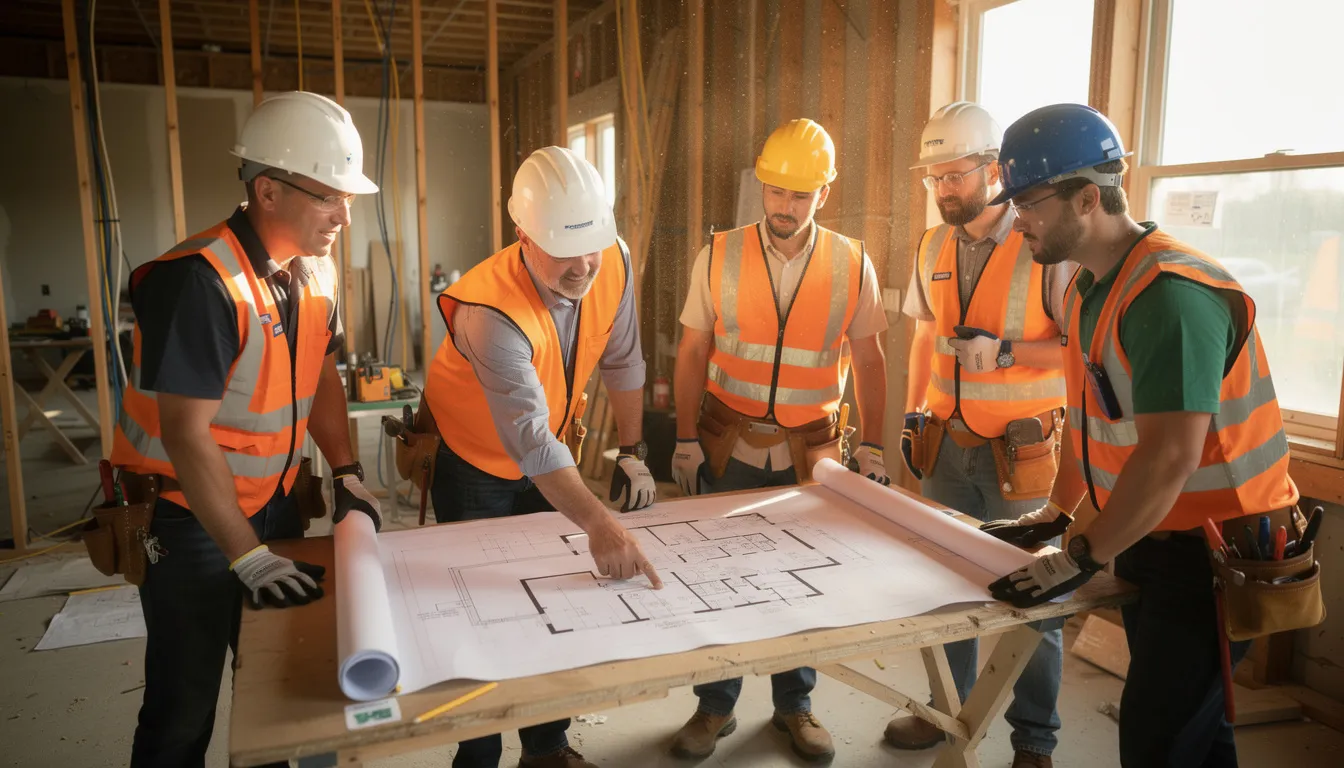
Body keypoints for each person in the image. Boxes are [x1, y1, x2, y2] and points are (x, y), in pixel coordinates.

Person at [984, 103, 1300, 768]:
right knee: (1195, 737)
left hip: (1216, 556)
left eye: (1030, 204)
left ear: (1087, 199)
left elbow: (1170, 456)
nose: (1018, 221)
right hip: (1152, 540)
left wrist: (1081, 555)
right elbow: (1091, 419)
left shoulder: (1170, 295)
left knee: (1158, 742)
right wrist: (1057, 513)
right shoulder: (1091, 287)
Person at [112, 91, 383, 768]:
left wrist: (346, 471)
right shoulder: (200, 282)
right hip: (191, 522)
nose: (344, 217)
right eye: (330, 198)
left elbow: (321, 373)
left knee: (276, 689)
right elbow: (185, 433)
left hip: (276, 503)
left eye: (349, 199)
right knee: (184, 706)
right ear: (267, 191)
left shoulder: (314, 270)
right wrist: (246, 554)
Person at [418, 146, 661, 768]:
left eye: (592, 246)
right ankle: (478, 757)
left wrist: (631, 451)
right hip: (474, 469)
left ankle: (546, 749)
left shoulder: (612, 260)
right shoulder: (488, 311)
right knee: (483, 613)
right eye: (564, 250)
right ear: (523, 236)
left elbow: (623, 360)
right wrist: (599, 521)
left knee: (554, 600)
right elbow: (529, 438)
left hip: (552, 461)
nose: (584, 266)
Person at [667, 118, 889, 763]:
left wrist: (873, 445)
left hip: (812, 452)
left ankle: (795, 705)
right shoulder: (719, 253)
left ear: (825, 192)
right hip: (728, 444)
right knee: (719, 578)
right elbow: (692, 350)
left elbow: (868, 359)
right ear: (761, 186)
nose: (784, 207)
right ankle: (715, 705)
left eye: (799, 194)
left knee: (803, 581)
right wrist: (683, 438)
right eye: (775, 191)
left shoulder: (853, 261)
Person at [886, 101, 1072, 768]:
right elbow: (923, 338)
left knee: (1038, 601)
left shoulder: (1044, 244)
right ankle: (946, 712)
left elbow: (1082, 350)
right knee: (942, 591)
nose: (942, 189)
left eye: (955, 175)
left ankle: (1034, 741)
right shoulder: (932, 245)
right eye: (933, 177)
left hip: (1023, 456)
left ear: (995, 170)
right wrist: (912, 417)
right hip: (945, 448)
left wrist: (1006, 351)